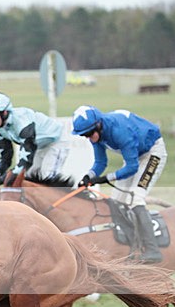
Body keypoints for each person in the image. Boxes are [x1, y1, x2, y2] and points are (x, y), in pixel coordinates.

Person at [71, 105, 167, 263]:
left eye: (88, 134)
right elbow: (100, 162)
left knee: (136, 198)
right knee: (116, 202)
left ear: (98, 125)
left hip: (152, 153)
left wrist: (105, 179)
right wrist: (89, 176)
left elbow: (132, 167)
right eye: (83, 135)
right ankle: (132, 246)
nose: (87, 138)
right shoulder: (97, 134)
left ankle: (152, 249)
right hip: (134, 156)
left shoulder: (119, 131)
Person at [0, 91, 83, 186]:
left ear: (4, 112)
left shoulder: (22, 124)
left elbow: (25, 162)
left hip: (57, 142)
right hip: (38, 145)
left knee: (46, 180)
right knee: (27, 182)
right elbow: (6, 156)